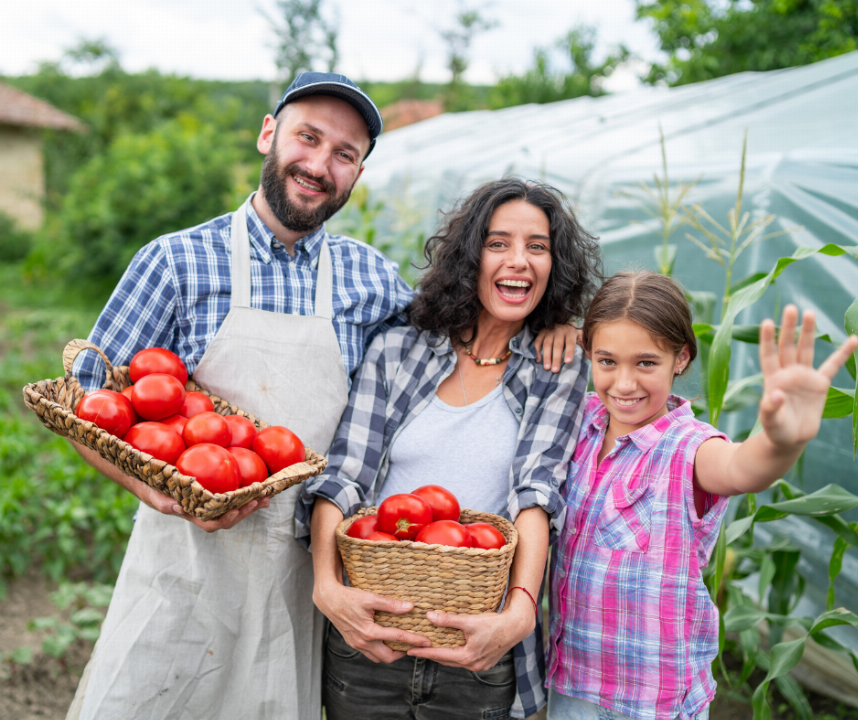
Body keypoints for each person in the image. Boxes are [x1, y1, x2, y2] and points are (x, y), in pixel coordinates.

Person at [64, 72, 412, 720]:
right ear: (267, 134)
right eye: (307, 138)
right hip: (183, 562)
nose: (319, 165)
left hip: (301, 573)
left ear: (359, 173)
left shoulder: (372, 278)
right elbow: (87, 403)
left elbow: (444, 353)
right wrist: (150, 490)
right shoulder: (175, 261)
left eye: (345, 154)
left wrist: (550, 318)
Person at [298, 177, 603, 720]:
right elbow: (345, 475)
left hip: (478, 644)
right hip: (372, 633)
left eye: (538, 247)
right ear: (470, 256)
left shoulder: (558, 367)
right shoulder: (399, 349)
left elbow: (537, 493)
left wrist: (519, 613)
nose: (519, 261)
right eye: (498, 243)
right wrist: (327, 586)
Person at [545, 271, 858, 720]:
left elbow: (742, 468)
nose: (624, 383)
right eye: (607, 361)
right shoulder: (582, 425)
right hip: (573, 679)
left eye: (646, 363)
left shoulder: (689, 448)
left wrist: (781, 441)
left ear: (682, 359)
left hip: (653, 700)